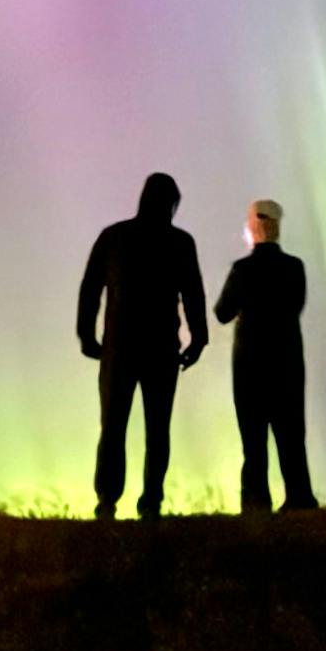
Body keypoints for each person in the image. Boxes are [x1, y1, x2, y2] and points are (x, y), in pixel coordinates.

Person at [76, 172, 208, 520]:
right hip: (162, 347)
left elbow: (90, 288)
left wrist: (86, 335)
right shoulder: (181, 242)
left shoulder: (114, 237)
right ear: (171, 204)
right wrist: (199, 338)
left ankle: (107, 500)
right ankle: (151, 501)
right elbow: (193, 293)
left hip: (119, 348)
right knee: (157, 429)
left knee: (113, 426)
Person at [211, 199, 318, 513]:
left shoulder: (242, 270)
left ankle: (256, 501)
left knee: (253, 440)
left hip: (250, 365)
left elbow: (221, 313)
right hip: (287, 361)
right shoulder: (295, 267)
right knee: (291, 436)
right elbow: (296, 306)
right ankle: (300, 497)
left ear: (254, 226)